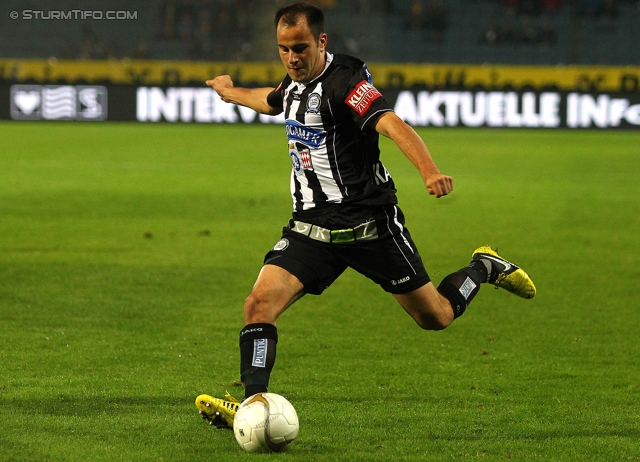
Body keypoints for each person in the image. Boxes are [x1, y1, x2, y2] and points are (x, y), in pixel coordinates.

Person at [195, 2, 536, 429]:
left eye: (299, 48)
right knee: (258, 304)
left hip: (369, 226)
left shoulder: (346, 81)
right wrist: (228, 91)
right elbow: (271, 100)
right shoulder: (296, 82)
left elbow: (392, 123)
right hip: (312, 228)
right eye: (283, 49)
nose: (291, 58)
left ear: (321, 41)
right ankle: (252, 406)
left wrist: (429, 171)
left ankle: (483, 267)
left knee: (437, 317)